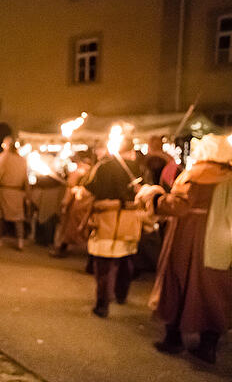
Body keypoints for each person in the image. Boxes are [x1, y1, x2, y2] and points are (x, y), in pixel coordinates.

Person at [137, 134, 232, 364]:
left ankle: (174, 338)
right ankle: (208, 344)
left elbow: (178, 206)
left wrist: (155, 196)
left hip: (188, 237)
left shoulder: (195, 175)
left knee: (179, 280)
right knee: (216, 288)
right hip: (223, 240)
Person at [84, 135, 144, 318]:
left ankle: (102, 304)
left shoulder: (104, 167)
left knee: (104, 264)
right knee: (126, 260)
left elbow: (90, 187)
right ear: (131, 151)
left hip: (107, 219)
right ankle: (121, 295)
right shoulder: (138, 168)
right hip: (128, 221)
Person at [0, 136, 28, 249]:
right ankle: (20, 242)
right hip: (18, 193)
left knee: (0, 216)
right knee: (18, 218)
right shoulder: (22, 159)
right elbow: (25, 178)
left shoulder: (4, 156)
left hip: (5, 190)